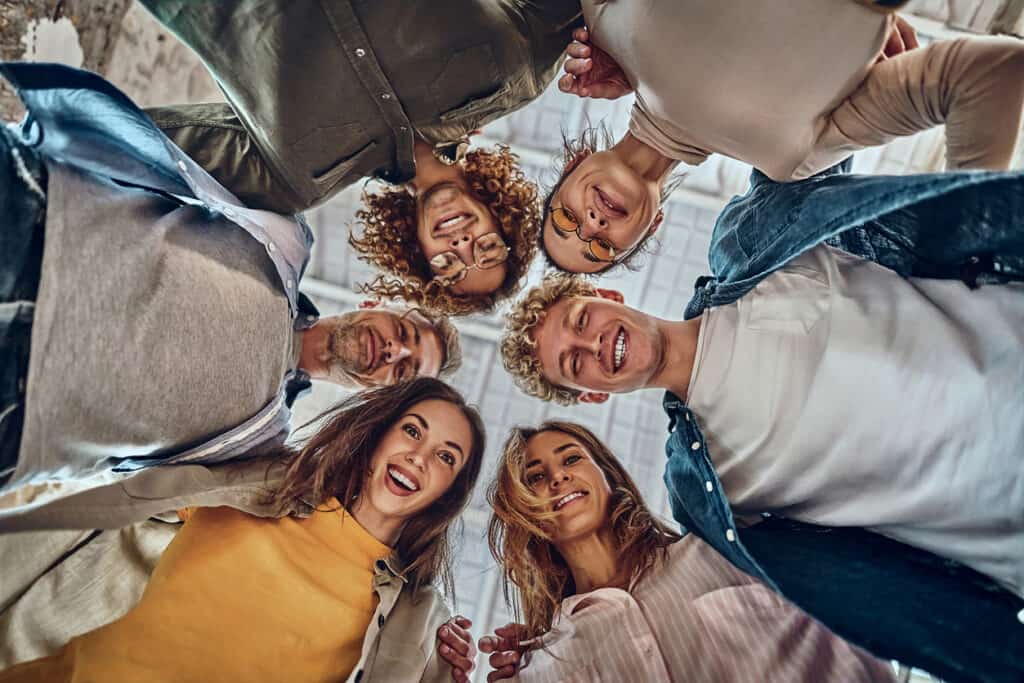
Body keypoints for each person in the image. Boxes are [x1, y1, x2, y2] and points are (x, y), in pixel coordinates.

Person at [497, 161, 1024, 677]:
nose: (592, 343)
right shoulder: (709, 496)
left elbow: (810, 123)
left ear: (605, 294)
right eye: (574, 363)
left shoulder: (751, 245)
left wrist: (650, 138)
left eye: (581, 320)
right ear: (591, 396)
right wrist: (553, 649)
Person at [0, 62, 461, 519]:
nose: (394, 350)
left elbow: (156, 514)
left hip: (19, 411)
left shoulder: (258, 450)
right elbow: (197, 142)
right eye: (406, 333)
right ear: (375, 304)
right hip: (34, 226)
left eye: (404, 371)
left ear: (376, 398)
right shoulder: (285, 240)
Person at [0, 377, 485, 683]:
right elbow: (121, 496)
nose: (419, 457)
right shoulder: (260, 484)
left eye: (446, 457)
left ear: (448, 491)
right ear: (378, 436)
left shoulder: (418, 617)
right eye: (412, 430)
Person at [542, 2, 1024, 274]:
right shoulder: (794, 162)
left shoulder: (604, 20)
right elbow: (989, 76)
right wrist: (971, 250)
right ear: (650, 228)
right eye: (602, 248)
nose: (590, 226)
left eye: (565, 219)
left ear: (571, 167)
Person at [442, 422, 895, 682]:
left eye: (572, 458)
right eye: (536, 477)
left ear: (609, 477)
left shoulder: (726, 546)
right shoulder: (541, 669)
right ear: (525, 514)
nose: (557, 477)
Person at [137, 0, 583, 216]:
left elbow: (141, 147)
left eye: (450, 270)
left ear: (415, 262)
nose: (463, 248)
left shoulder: (298, 183)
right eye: (489, 251)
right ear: (502, 218)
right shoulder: (514, 79)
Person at [349, 140, 541, 315]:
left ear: (418, 250)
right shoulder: (479, 103)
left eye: (447, 266)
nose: (461, 244)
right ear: (500, 219)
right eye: (489, 247)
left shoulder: (338, 165)